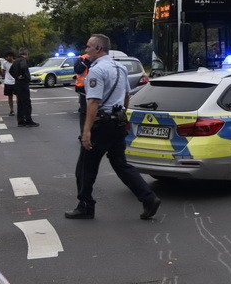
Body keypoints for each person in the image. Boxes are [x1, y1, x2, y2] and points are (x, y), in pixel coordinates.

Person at [66, 33, 160, 221]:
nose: (86, 51)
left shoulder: (96, 70)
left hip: (102, 125)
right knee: (120, 164)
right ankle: (149, 198)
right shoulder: (120, 67)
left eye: (88, 47)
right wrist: (122, 117)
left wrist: (86, 132)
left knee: (85, 167)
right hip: (117, 123)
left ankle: (85, 205)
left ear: (99, 49)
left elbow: (93, 101)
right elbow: (126, 95)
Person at [9, 48, 38, 127]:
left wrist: (16, 77)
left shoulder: (16, 61)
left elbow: (10, 71)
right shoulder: (23, 60)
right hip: (23, 84)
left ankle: (20, 121)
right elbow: (23, 68)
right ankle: (28, 120)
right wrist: (23, 76)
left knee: (20, 103)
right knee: (26, 103)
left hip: (17, 84)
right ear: (26, 54)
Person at [1, 51, 16, 117]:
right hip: (8, 82)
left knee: (19, 96)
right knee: (10, 97)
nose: (6, 58)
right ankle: (11, 110)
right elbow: (3, 71)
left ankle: (20, 109)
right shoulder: (4, 63)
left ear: (11, 56)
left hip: (15, 82)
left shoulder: (16, 63)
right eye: (6, 57)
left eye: (7, 57)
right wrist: (2, 74)